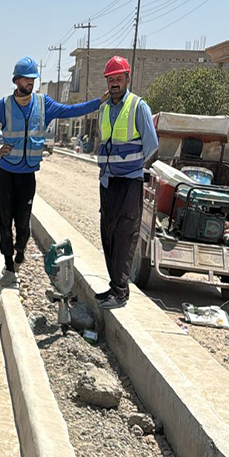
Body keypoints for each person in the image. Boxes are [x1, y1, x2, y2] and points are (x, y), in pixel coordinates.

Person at [0, 56, 106, 287]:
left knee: (23, 224)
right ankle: (8, 264)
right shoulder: (4, 105)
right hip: (6, 174)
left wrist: (98, 103)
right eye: (27, 79)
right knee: (5, 221)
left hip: (27, 176)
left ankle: (20, 252)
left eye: (34, 80)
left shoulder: (43, 103)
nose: (31, 84)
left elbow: (71, 110)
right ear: (16, 80)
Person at [95, 55, 159, 310]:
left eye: (118, 79)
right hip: (108, 181)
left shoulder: (137, 106)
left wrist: (133, 166)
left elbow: (151, 144)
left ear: (127, 79)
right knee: (108, 234)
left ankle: (121, 291)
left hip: (129, 182)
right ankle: (113, 286)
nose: (114, 84)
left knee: (125, 235)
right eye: (111, 79)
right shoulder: (103, 108)